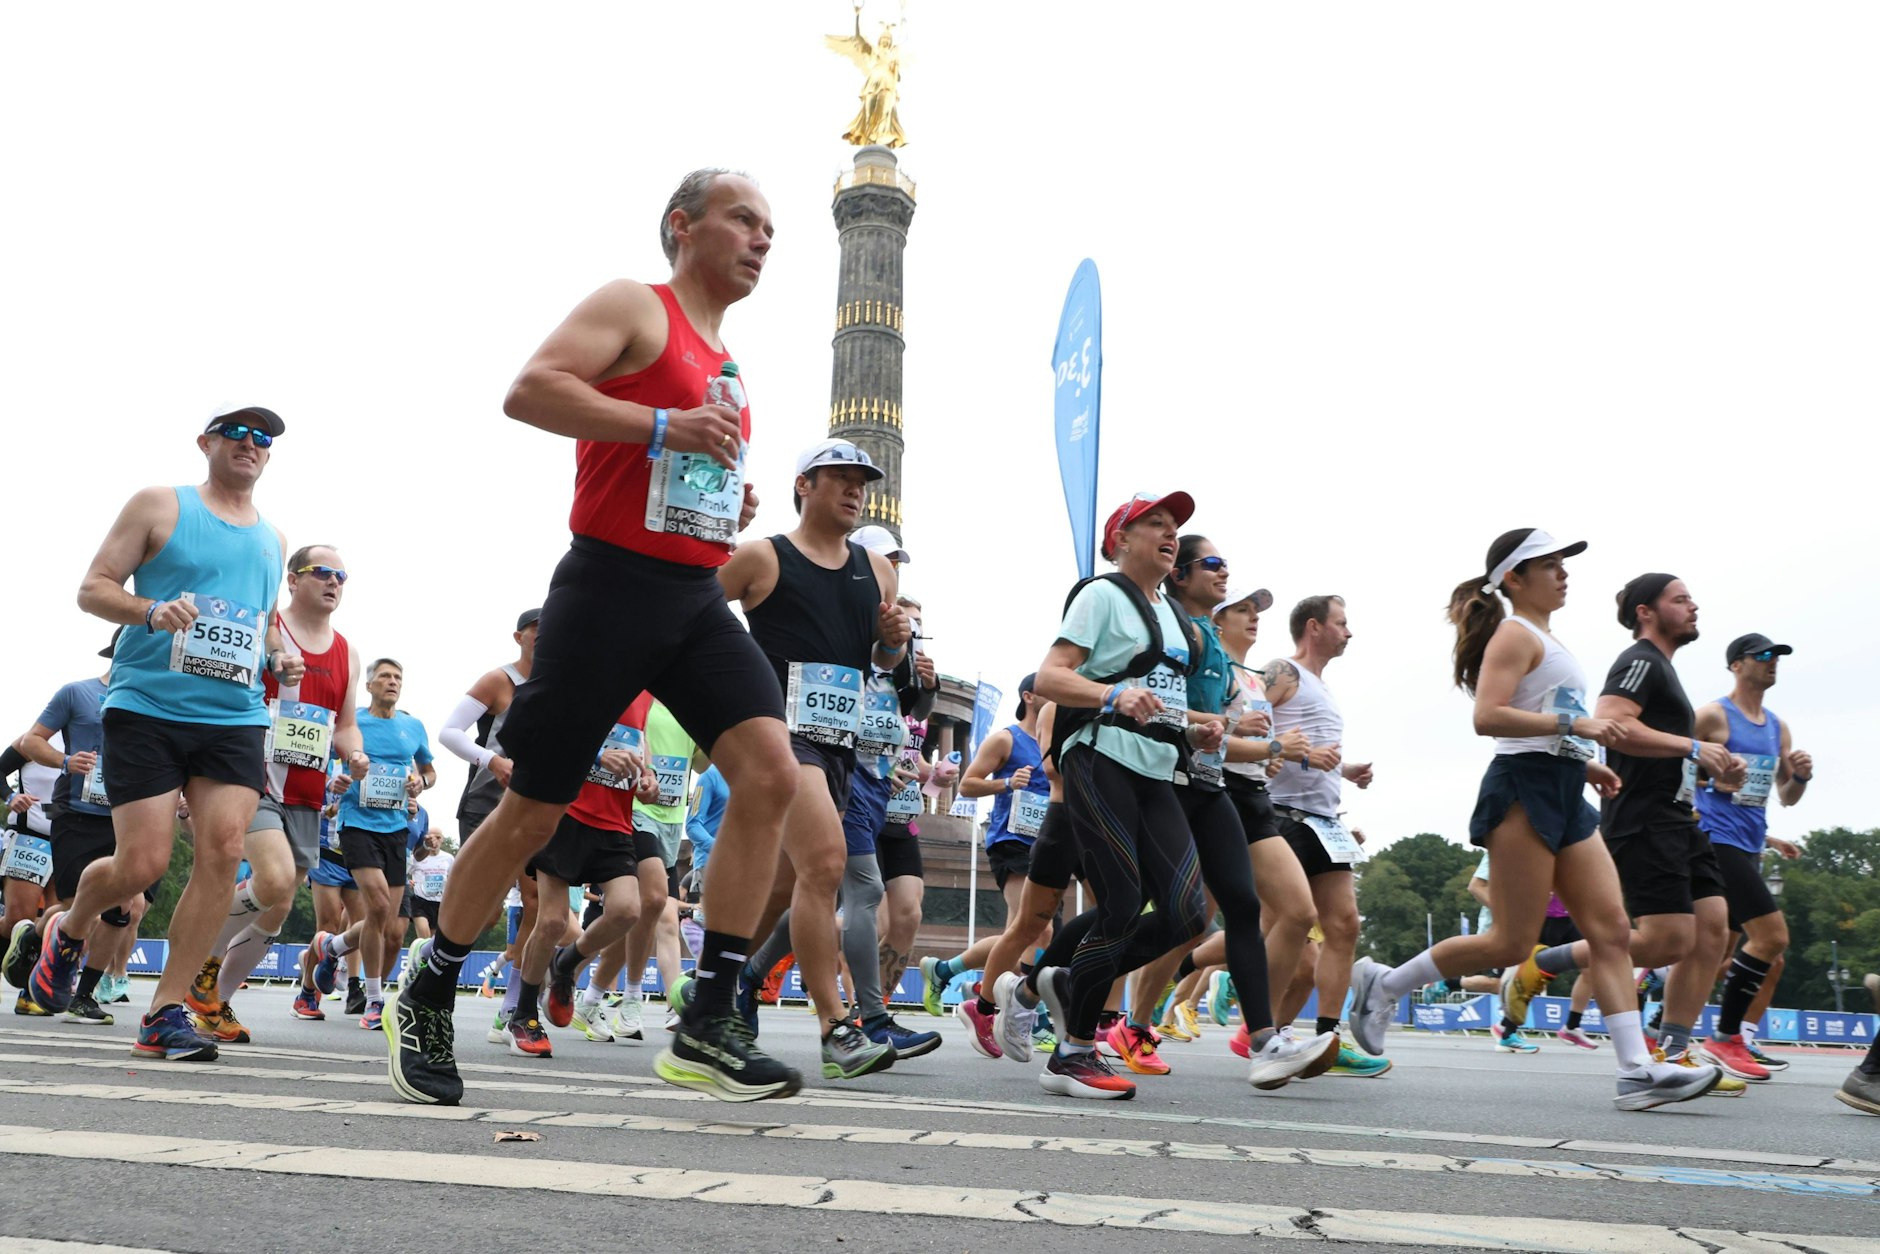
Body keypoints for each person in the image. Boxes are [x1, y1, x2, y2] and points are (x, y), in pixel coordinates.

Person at [385, 168, 803, 1108]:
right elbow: (531, 391)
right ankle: (431, 985)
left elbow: (673, 461)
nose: (763, 238)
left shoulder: (728, 362)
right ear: (681, 226)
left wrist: (716, 503)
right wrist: (665, 426)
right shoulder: (636, 305)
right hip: (609, 589)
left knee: (771, 773)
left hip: (694, 593)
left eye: (771, 227)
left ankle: (709, 1019)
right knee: (533, 810)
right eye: (744, 219)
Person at [1351, 537, 1722, 1110]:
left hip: (1566, 789)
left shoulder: (1548, 638)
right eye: (1550, 565)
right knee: (1510, 940)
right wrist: (1579, 730)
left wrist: (1587, 762)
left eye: (1563, 564)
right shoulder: (1514, 633)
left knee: (1612, 930)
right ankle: (1387, 983)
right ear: (1515, 579)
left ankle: (1635, 1070)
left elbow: (1555, 722)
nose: (1563, 573)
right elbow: (1488, 716)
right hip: (1522, 790)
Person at [29, 407, 299, 1061]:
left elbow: (261, 622)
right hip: (147, 707)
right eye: (236, 433)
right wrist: (149, 610)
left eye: (264, 438)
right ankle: (67, 930)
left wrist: (277, 653)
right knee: (142, 865)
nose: (251, 444)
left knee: (223, 851)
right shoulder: (160, 504)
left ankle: (164, 1011)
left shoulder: (272, 538)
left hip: (234, 716)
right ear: (206, 443)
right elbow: (93, 589)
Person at [1499, 573, 1749, 1097]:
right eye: (1681, 599)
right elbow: (1613, 722)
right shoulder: (1640, 661)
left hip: (1681, 817)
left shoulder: (1667, 670)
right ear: (1646, 612)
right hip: (1643, 819)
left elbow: (1663, 745)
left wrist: (1707, 767)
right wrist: (1692, 747)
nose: (1694, 606)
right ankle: (1540, 964)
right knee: (1665, 941)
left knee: (1711, 930)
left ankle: (1673, 1049)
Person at [709, 438, 907, 1081]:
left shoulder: (878, 569)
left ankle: (720, 992)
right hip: (778, 737)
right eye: (840, 479)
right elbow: (689, 616)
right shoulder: (763, 556)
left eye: (862, 481)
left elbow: (877, 665)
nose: (855, 490)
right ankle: (837, 1028)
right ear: (803, 485)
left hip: (841, 742)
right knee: (824, 867)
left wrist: (890, 647)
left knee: (781, 888)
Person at [1029, 492, 1213, 1100]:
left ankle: (1070, 980)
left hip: (1156, 766)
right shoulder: (1101, 595)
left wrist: (1194, 725)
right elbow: (1051, 676)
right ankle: (1074, 1051)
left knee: (1189, 911)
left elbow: (1158, 696)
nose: (1169, 534)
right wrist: (1110, 697)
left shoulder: (1176, 618)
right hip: (1100, 754)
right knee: (1123, 901)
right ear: (1119, 541)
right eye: (1154, 524)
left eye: (1174, 526)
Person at [190, 545, 362, 1039]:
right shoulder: (268, 632)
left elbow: (346, 727)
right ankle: (201, 962)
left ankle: (214, 1001)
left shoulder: (347, 650)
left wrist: (356, 755)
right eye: (323, 572)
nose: (334, 582)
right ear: (292, 579)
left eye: (342, 576)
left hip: (308, 793)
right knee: (274, 877)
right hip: (251, 776)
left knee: (281, 902)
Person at [1262, 594, 1385, 1077]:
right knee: (1282, 933)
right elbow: (1245, 729)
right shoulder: (1281, 671)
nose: (1348, 632)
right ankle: (1263, 1037)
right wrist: (1304, 756)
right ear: (1314, 627)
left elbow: (1311, 748)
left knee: (1346, 924)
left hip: (1324, 820)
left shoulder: (1322, 687)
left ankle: (1329, 1038)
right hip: (1280, 817)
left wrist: (1347, 769)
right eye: (1342, 623)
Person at [1690, 633, 1812, 1080]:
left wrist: (1799, 777)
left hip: (1748, 841)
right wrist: (1710, 784)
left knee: (1709, 947)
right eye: (1763, 656)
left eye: (1777, 656)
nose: (1772, 663)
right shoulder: (1711, 715)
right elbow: (1670, 765)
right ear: (1736, 665)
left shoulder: (1778, 727)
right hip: (1712, 838)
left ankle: (1664, 1029)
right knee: (1772, 938)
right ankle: (1725, 1038)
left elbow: (1787, 796)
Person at [325, 659, 435, 1030]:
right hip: (357, 824)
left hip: (396, 828)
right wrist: (336, 785)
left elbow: (429, 771)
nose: (393, 682)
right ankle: (374, 1000)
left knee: (385, 922)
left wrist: (421, 783)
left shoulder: (412, 725)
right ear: (369, 685)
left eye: (398, 677)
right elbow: (328, 763)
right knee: (379, 904)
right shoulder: (352, 723)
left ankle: (334, 948)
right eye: (385, 676)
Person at [437, 609, 537, 1000]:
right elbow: (448, 732)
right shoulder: (500, 680)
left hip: (533, 808)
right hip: (487, 803)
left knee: (536, 902)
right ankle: (432, 959)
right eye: (536, 630)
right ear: (519, 637)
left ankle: (514, 1004)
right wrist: (492, 760)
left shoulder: (558, 684)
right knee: (487, 909)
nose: (545, 636)